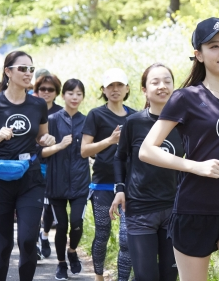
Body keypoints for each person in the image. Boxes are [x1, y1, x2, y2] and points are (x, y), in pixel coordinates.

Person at [139, 17, 219, 281]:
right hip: (193, 210)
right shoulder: (185, 98)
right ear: (198, 55)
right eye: (214, 46)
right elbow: (147, 150)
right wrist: (195, 166)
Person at [0, 51, 55, 281]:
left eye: (31, 69)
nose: (28, 73)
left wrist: (48, 140)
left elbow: (42, 138)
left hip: (30, 179)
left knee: (27, 240)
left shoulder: (38, 104)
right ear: (8, 72)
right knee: (3, 243)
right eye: (22, 69)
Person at [111, 63, 185, 281]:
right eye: (155, 82)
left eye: (167, 81)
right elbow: (120, 157)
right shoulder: (134, 122)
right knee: (146, 276)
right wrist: (120, 189)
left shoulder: (184, 124)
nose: (162, 86)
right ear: (144, 89)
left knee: (169, 275)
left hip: (174, 208)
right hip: (140, 209)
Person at [81, 68, 136, 281]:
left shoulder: (135, 116)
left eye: (119, 85)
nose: (115, 90)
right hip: (102, 184)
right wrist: (109, 141)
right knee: (103, 233)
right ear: (103, 90)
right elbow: (84, 150)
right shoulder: (96, 114)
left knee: (126, 238)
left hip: (128, 185)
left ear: (127, 89)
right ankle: (99, 276)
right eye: (110, 86)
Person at [42, 79, 89, 280]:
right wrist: (59, 145)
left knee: (77, 222)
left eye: (79, 94)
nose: (75, 97)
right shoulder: (51, 120)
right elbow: (42, 151)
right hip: (56, 181)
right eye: (71, 93)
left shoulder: (88, 120)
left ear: (83, 97)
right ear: (63, 96)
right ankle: (61, 264)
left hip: (80, 181)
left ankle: (72, 251)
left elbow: (92, 149)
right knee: (61, 225)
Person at [33, 73, 62, 258]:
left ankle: (44, 235)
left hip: (56, 165)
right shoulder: (32, 108)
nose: (46, 92)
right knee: (35, 205)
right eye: (42, 89)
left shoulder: (61, 112)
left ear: (56, 92)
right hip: (35, 164)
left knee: (50, 205)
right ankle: (35, 240)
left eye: (50, 89)